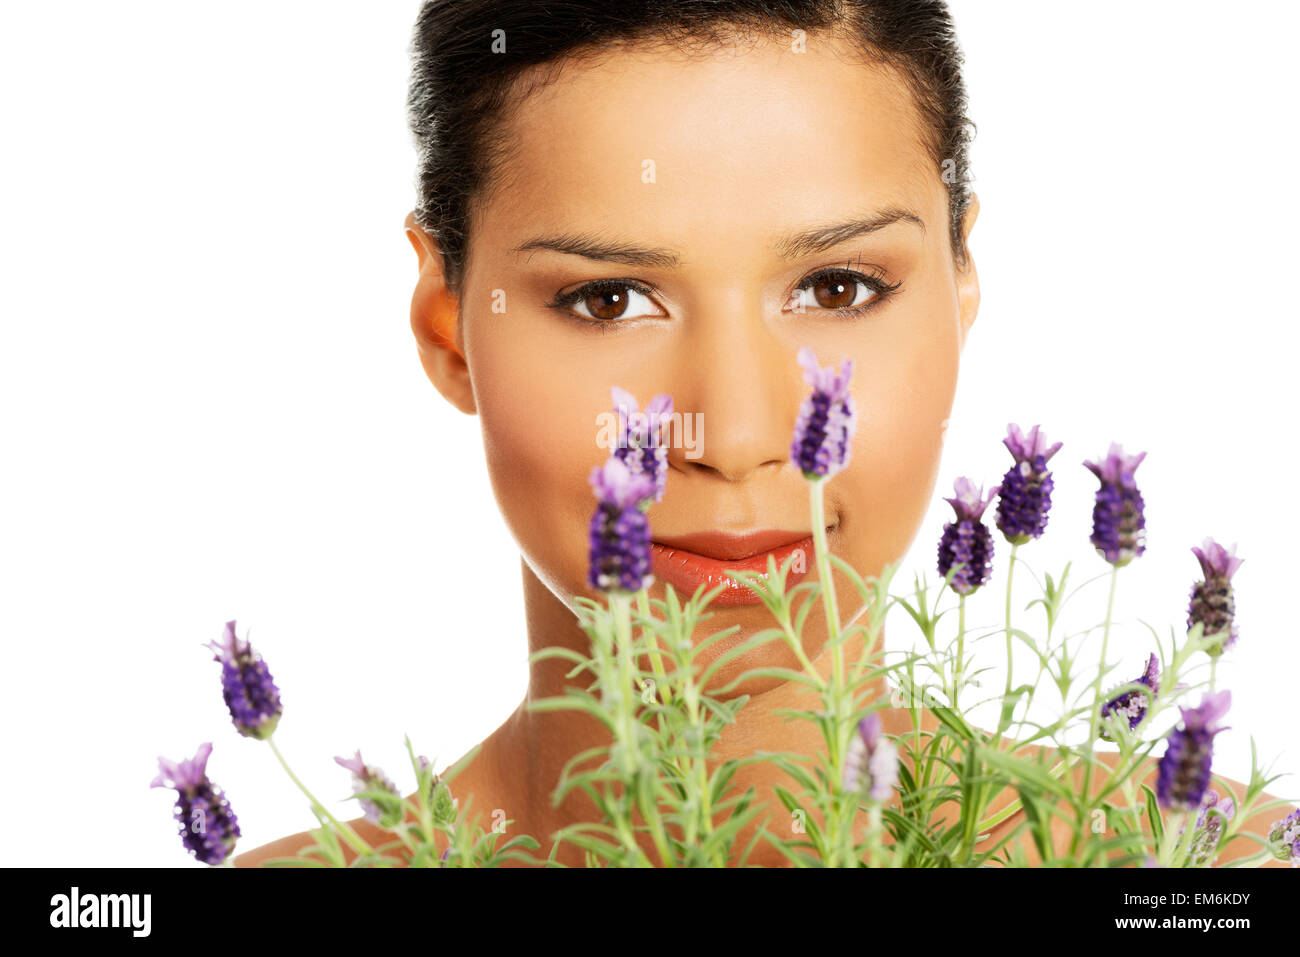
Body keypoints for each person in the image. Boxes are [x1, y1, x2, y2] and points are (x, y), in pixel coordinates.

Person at [236, 0, 1294, 868]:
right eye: (609, 301)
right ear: (449, 329)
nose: (735, 438)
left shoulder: (1210, 863)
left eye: (836, 285)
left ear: (962, 283)